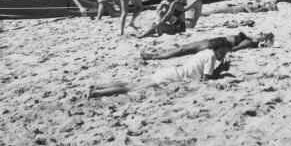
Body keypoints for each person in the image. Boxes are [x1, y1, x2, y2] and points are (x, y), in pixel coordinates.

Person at [88, 43, 232, 98]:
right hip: (171, 77)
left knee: (131, 84)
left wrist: (220, 69)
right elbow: (207, 79)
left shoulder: (206, 52)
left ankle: (98, 87)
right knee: (130, 88)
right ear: (217, 49)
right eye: (223, 52)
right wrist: (222, 69)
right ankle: (96, 92)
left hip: (170, 72)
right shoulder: (212, 56)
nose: (223, 55)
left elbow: (206, 74)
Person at [141, 31, 275, 61]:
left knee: (183, 50)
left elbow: (234, 49)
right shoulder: (250, 39)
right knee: (183, 49)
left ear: (263, 40)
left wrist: (222, 48)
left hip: (215, 44)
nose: (260, 33)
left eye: (262, 34)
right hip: (214, 41)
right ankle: (156, 55)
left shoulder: (250, 42)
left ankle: (154, 56)